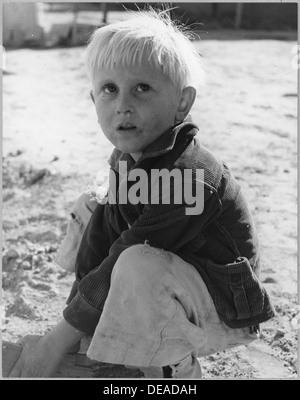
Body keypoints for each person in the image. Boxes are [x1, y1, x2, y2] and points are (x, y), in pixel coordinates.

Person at [9, 9, 275, 379]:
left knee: (136, 260)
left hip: (223, 311)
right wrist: (78, 327)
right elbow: (102, 241)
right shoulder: (127, 160)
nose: (123, 105)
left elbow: (125, 251)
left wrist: (53, 345)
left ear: (182, 103)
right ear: (93, 100)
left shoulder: (190, 177)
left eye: (143, 88)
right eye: (110, 89)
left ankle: (174, 369)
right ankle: (112, 348)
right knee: (93, 205)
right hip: (174, 289)